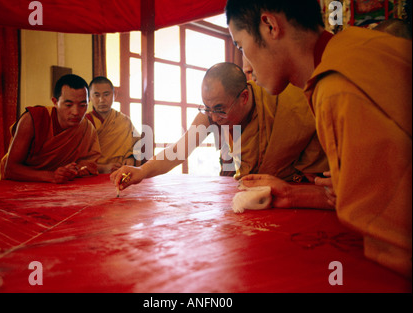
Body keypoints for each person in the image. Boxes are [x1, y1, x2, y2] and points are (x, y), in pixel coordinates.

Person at [225, 0, 411, 277]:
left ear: (269, 26)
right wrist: (292, 194)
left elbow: (395, 240)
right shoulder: (356, 45)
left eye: (240, 45)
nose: (244, 64)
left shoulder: (336, 88)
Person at [111, 62, 330, 206]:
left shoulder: (283, 101)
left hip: (295, 196)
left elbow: (318, 167)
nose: (213, 117)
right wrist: (141, 171)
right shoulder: (211, 114)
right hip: (254, 198)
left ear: (244, 97)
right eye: (206, 108)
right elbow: (179, 150)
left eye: (219, 109)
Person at [0, 74, 101, 183]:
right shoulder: (33, 120)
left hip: (56, 186)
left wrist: (72, 170)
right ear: (55, 102)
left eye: (83, 105)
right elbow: (11, 169)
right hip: (16, 183)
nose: (76, 112)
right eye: (68, 105)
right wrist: (51, 176)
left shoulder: (87, 128)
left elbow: (88, 164)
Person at [86, 76, 141, 174]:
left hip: (121, 174)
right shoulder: (85, 122)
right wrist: (102, 168)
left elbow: (138, 145)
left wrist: (131, 157)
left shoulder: (124, 121)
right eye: (96, 95)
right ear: (89, 97)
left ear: (114, 95)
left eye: (106, 94)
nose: (102, 100)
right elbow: (78, 160)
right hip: (93, 176)